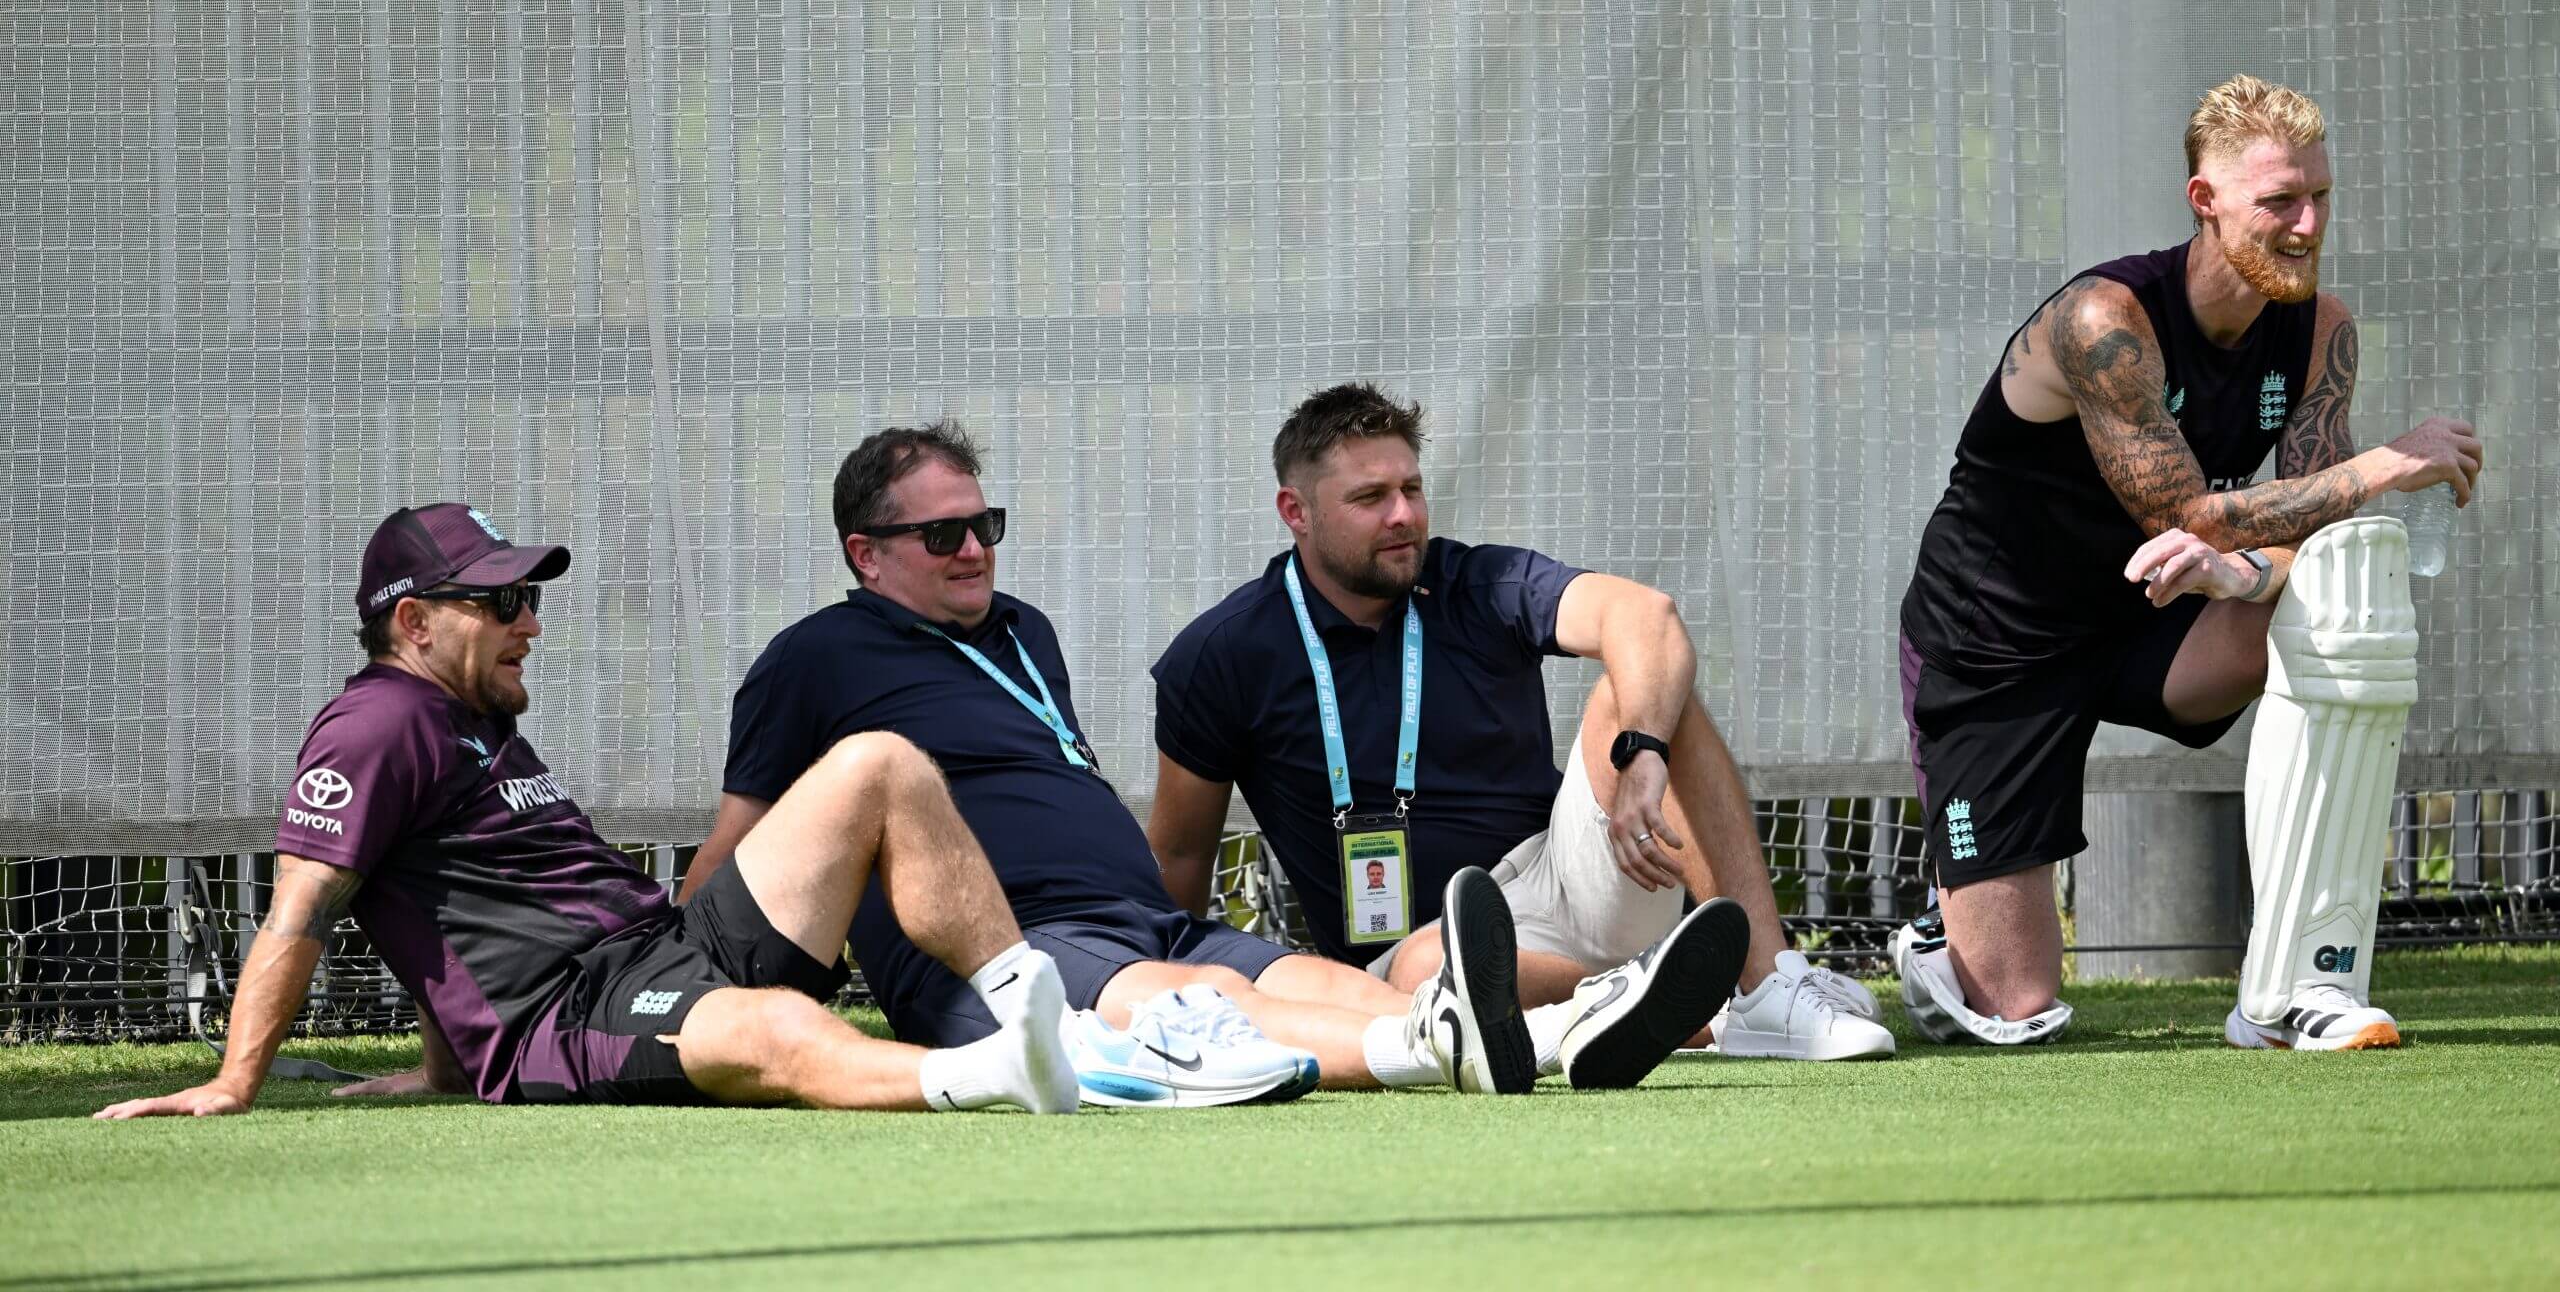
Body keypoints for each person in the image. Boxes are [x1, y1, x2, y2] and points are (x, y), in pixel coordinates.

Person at [681, 424, 1746, 1099]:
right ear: (865, 553)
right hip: (1006, 945)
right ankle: (1465, 1048)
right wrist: (665, 983)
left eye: (985, 524)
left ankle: (1567, 1027)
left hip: (1141, 915)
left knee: (1319, 978)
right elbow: (745, 846)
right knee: (1186, 999)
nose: (975, 550)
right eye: (943, 536)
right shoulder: (809, 660)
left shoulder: (1020, 629)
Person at [99, 502, 1078, 1120]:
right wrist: (234, 1082)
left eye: (527, 593)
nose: (531, 618)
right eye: (503, 599)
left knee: (878, 763)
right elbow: (303, 907)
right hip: (570, 1017)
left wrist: (440, 1066)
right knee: (769, 1028)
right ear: (414, 622)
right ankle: (993, 1074)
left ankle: (1046, 1025)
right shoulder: (376, 724)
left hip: (667, 948)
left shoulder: (473, 716)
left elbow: (450, 906)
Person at [1891, 74, 2484, 1049]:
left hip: (2156, 615)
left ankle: (2295, 981)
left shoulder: (2320, 330)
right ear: (2204, 201)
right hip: (1995, 643)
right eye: (2278, 202)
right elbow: (2191, 511)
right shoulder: (2102, 320)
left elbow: (2297, 534)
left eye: (2319, 198)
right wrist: (2388, 464)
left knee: (2339, 589)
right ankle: (1938, 937)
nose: (2305, 225)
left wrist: (2241, 576)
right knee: (2014, 1006)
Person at [1147, 384, 1893, 1066]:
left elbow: (1645, 615)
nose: (1403, 514)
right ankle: (1678, 1007)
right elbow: (1179, 857)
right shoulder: (1220, 656)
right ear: (1296, 512)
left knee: (1646, 689)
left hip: (1580, 874)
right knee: (1426, 967)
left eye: (1411, 488)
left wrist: (1643, 756)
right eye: (1370, 497)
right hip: (1425, 949)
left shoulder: (1476, 581)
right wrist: (1161, 1002)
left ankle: (1766, 991)